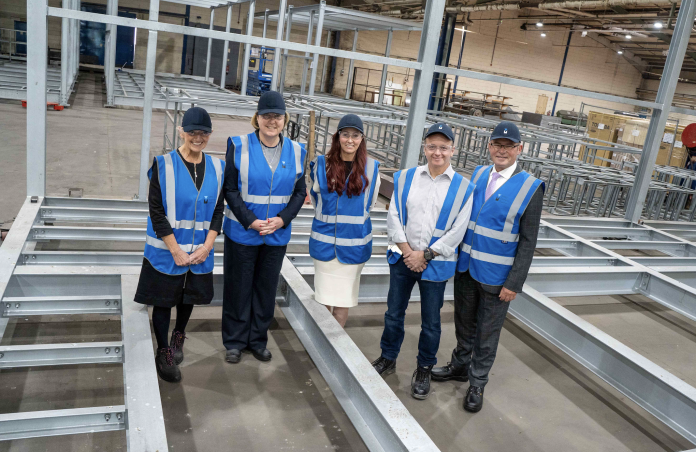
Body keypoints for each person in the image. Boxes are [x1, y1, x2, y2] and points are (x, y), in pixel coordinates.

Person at [432, 121, 544, 413]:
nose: (502, 151)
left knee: (487, 333)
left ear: (519, 149)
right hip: (467, 268)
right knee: (463, 323)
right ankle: (459, 366)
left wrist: (514, 283)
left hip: (498, 278)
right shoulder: (480, 173)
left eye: (508, 146)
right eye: (497, 145)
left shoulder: (531, 187)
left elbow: (529, 241)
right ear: (489, 146)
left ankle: (477, 381)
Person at [371, 123, 474, 400]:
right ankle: (388, 357)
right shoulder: (405, 177)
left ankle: (424, 368)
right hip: (402, 260)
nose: (437, 152)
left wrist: (425, 255)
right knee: (394, 314)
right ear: (424, 148)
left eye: (443, 147)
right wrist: (408, 252)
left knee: (431, 322)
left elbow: (457, 232)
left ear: (453, 150)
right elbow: (393, 216)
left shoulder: (465, 188)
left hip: (436, 265)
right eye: (432, 146)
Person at [135, 107, 225, 383]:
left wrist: (207, 247)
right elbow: (157, 212)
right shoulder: (163, 165)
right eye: (192, 132)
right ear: (181, 132)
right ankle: (164, 351)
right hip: (167, 253)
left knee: (188, 299)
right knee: (164, 303)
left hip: (199, 253)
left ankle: (179, 335)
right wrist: (175, 250)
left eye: (204, 133)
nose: (198, 138)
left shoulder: (218, 167)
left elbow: (218, 211)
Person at [222, 91, 307, 364]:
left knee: (265, 290)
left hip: (276, 235)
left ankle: (257, 340)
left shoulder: (297, 151)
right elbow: (230, 189)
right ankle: (235, 341)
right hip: (242, 232)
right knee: (239, 288)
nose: (272, 121)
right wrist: (250, 219)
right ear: (256, 118)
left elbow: (299, 193)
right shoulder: (238, 145)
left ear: (285, 120)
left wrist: (282, 219)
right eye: (266, 116)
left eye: (277, 116)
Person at [308, 114, 381, 327]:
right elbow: (315, 200)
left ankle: (334, 350)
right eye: (346, 134)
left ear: (362, 139)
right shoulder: (320, 164)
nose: (350, 140)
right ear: (337, 136)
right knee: (323, 301)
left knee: (342, 303)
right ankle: (322, 345)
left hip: (354, 247)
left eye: (355, 135)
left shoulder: (372, 168)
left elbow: (371, 203)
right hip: (324, 248)